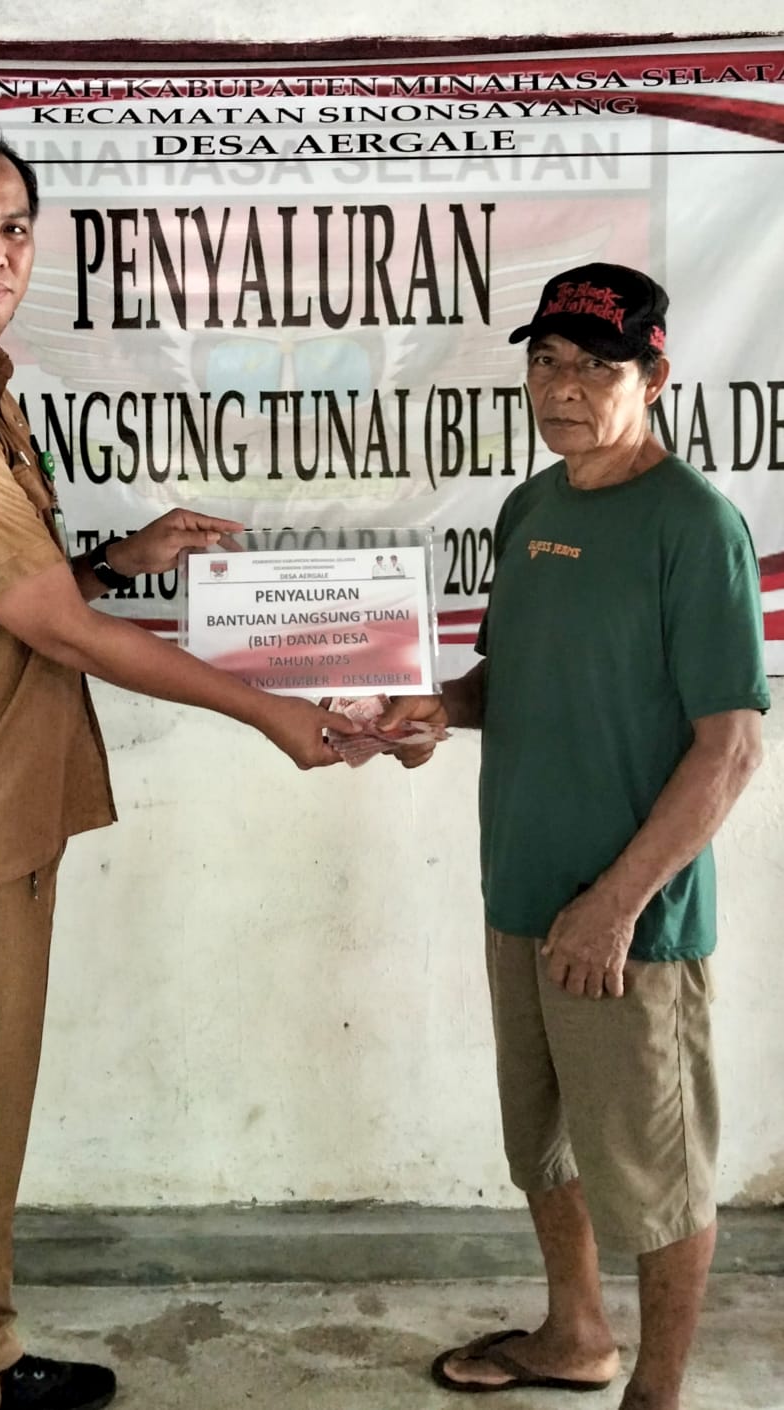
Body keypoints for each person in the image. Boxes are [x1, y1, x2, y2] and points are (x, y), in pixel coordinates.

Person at [0, 125, 358, 1410]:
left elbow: (1, 592)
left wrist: (120, 558)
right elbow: (55, 630)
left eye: (13, 228)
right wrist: (268, 713)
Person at [381, 263, 768, 1410]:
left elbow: (729, 748)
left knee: (656, 1174)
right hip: (520, 893)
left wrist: (615, 905)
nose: (561, 388)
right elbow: (514, 677)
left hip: (628, 925)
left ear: (654, 377)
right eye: (545, 362)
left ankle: (656, 1392)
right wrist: (434, 711)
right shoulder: (531, 508)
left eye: (595, 367)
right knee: (542, 1143)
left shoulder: (693, 526)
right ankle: (574, 1335)